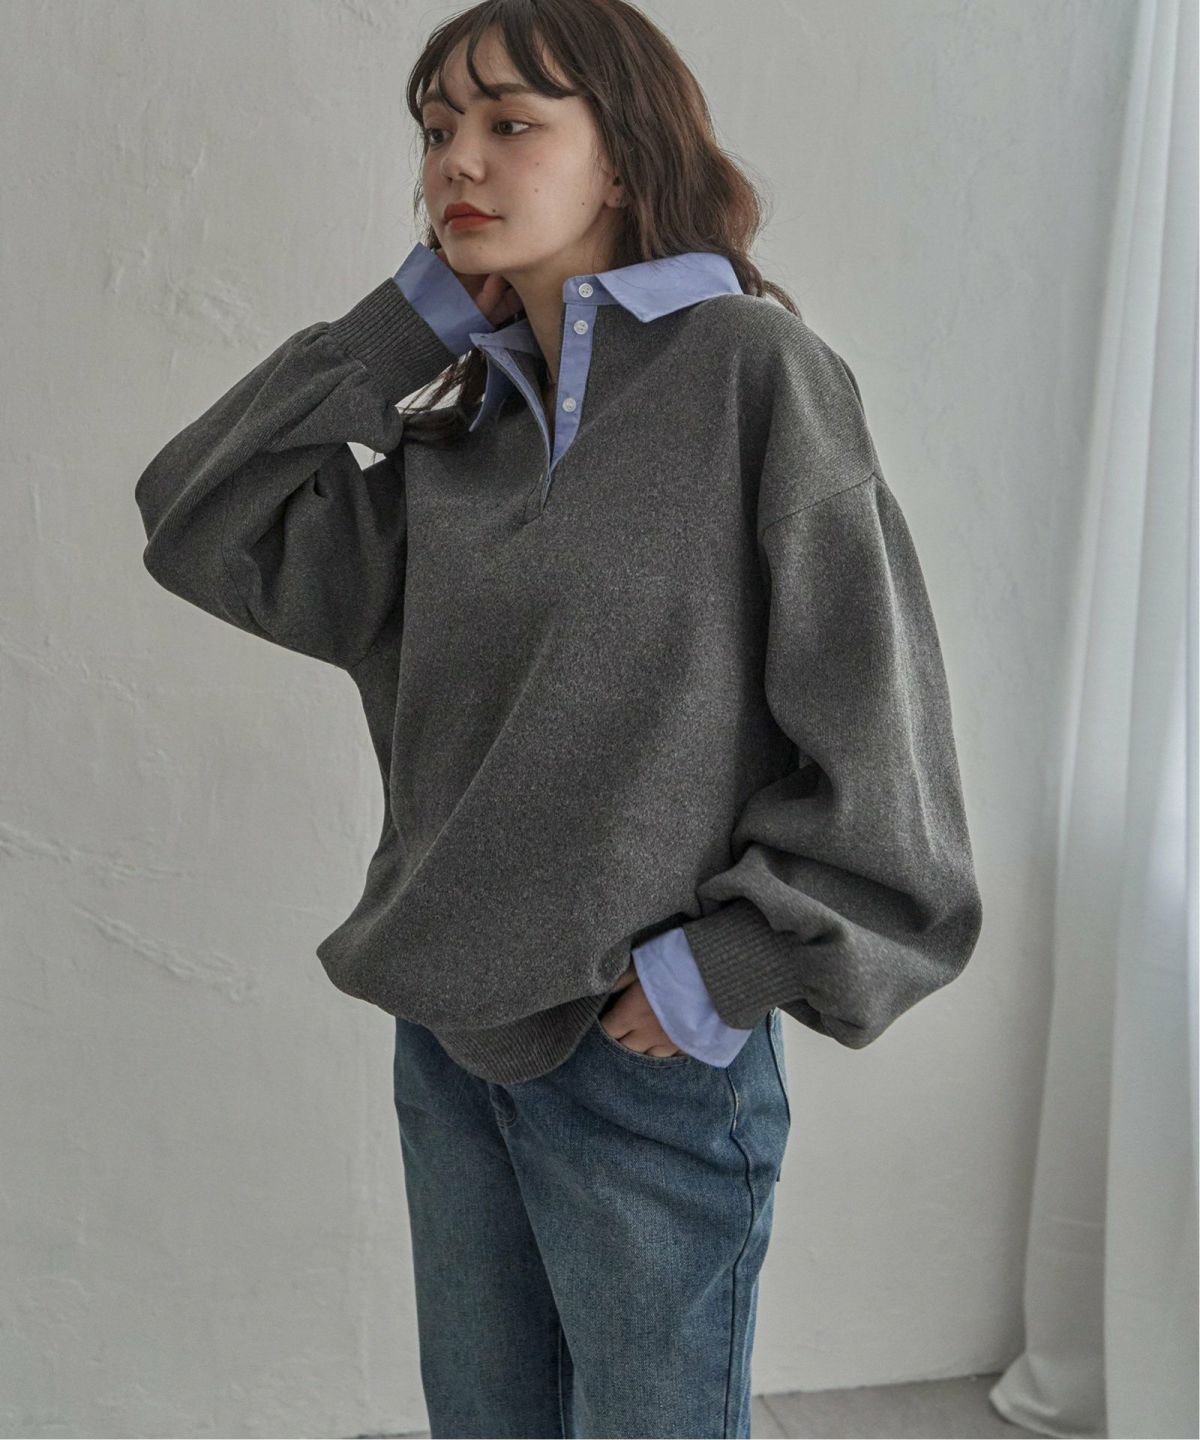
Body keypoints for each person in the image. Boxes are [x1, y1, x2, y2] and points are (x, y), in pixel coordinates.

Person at [133, 1, 984, 1435]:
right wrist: (400, 330)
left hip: (644, 1052)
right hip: (451, 1033)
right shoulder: (460, 429)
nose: (457, 160)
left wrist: (722, 968)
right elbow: (200, 519)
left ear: (626, 157)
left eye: (511, 123)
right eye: (436, 129)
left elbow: (881, 741)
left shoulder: (752, 373)